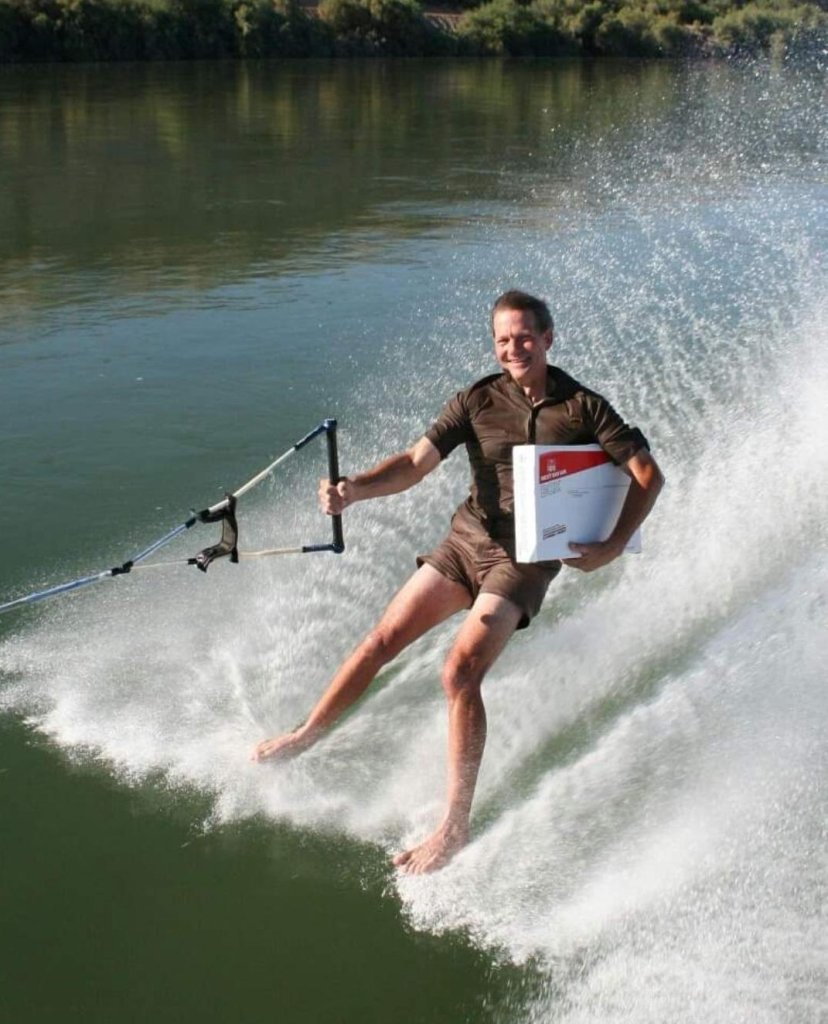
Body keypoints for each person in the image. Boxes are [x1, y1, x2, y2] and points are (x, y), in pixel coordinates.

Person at [252, 290, 664, 874]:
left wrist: (613, 545)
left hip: (524, 560)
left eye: (524, 337)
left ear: (548, 338)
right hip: (467, 541)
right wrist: (355, 489)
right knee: (381, 639)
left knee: (460, 672)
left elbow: (648, 475)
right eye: (503, 340)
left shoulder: (584, 409)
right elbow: (416, 462)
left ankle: (454, 824)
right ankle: (307, 733)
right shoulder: (476, 398)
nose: (513, 348)